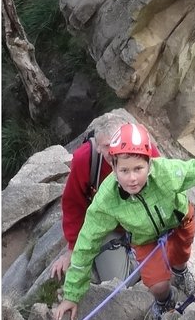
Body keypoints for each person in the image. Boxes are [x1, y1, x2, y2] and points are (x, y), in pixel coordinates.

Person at [52, 121, 195, 320]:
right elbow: (86, 245)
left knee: (180, 256)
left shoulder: (164, 171)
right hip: (145, 238)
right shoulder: (106, 199)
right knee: (157, 285)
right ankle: (165, 300)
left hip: (179, 223)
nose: (132, 178)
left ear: (150, 163)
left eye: (138, 168)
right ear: (112, 167)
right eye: (124, 171)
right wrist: (71, 295)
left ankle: (181, 273)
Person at [50, 118, 160, 284]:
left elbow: (164, 184)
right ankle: (141, 261)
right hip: (107, 225)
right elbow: (73, 204)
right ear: (98, 147)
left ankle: (145, 257)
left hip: (143, 219)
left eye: (115, 144)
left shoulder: (143, 151)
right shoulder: (85, 159)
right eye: (106, 146)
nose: (111, 151)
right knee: (119, 281)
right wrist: (73, 248)